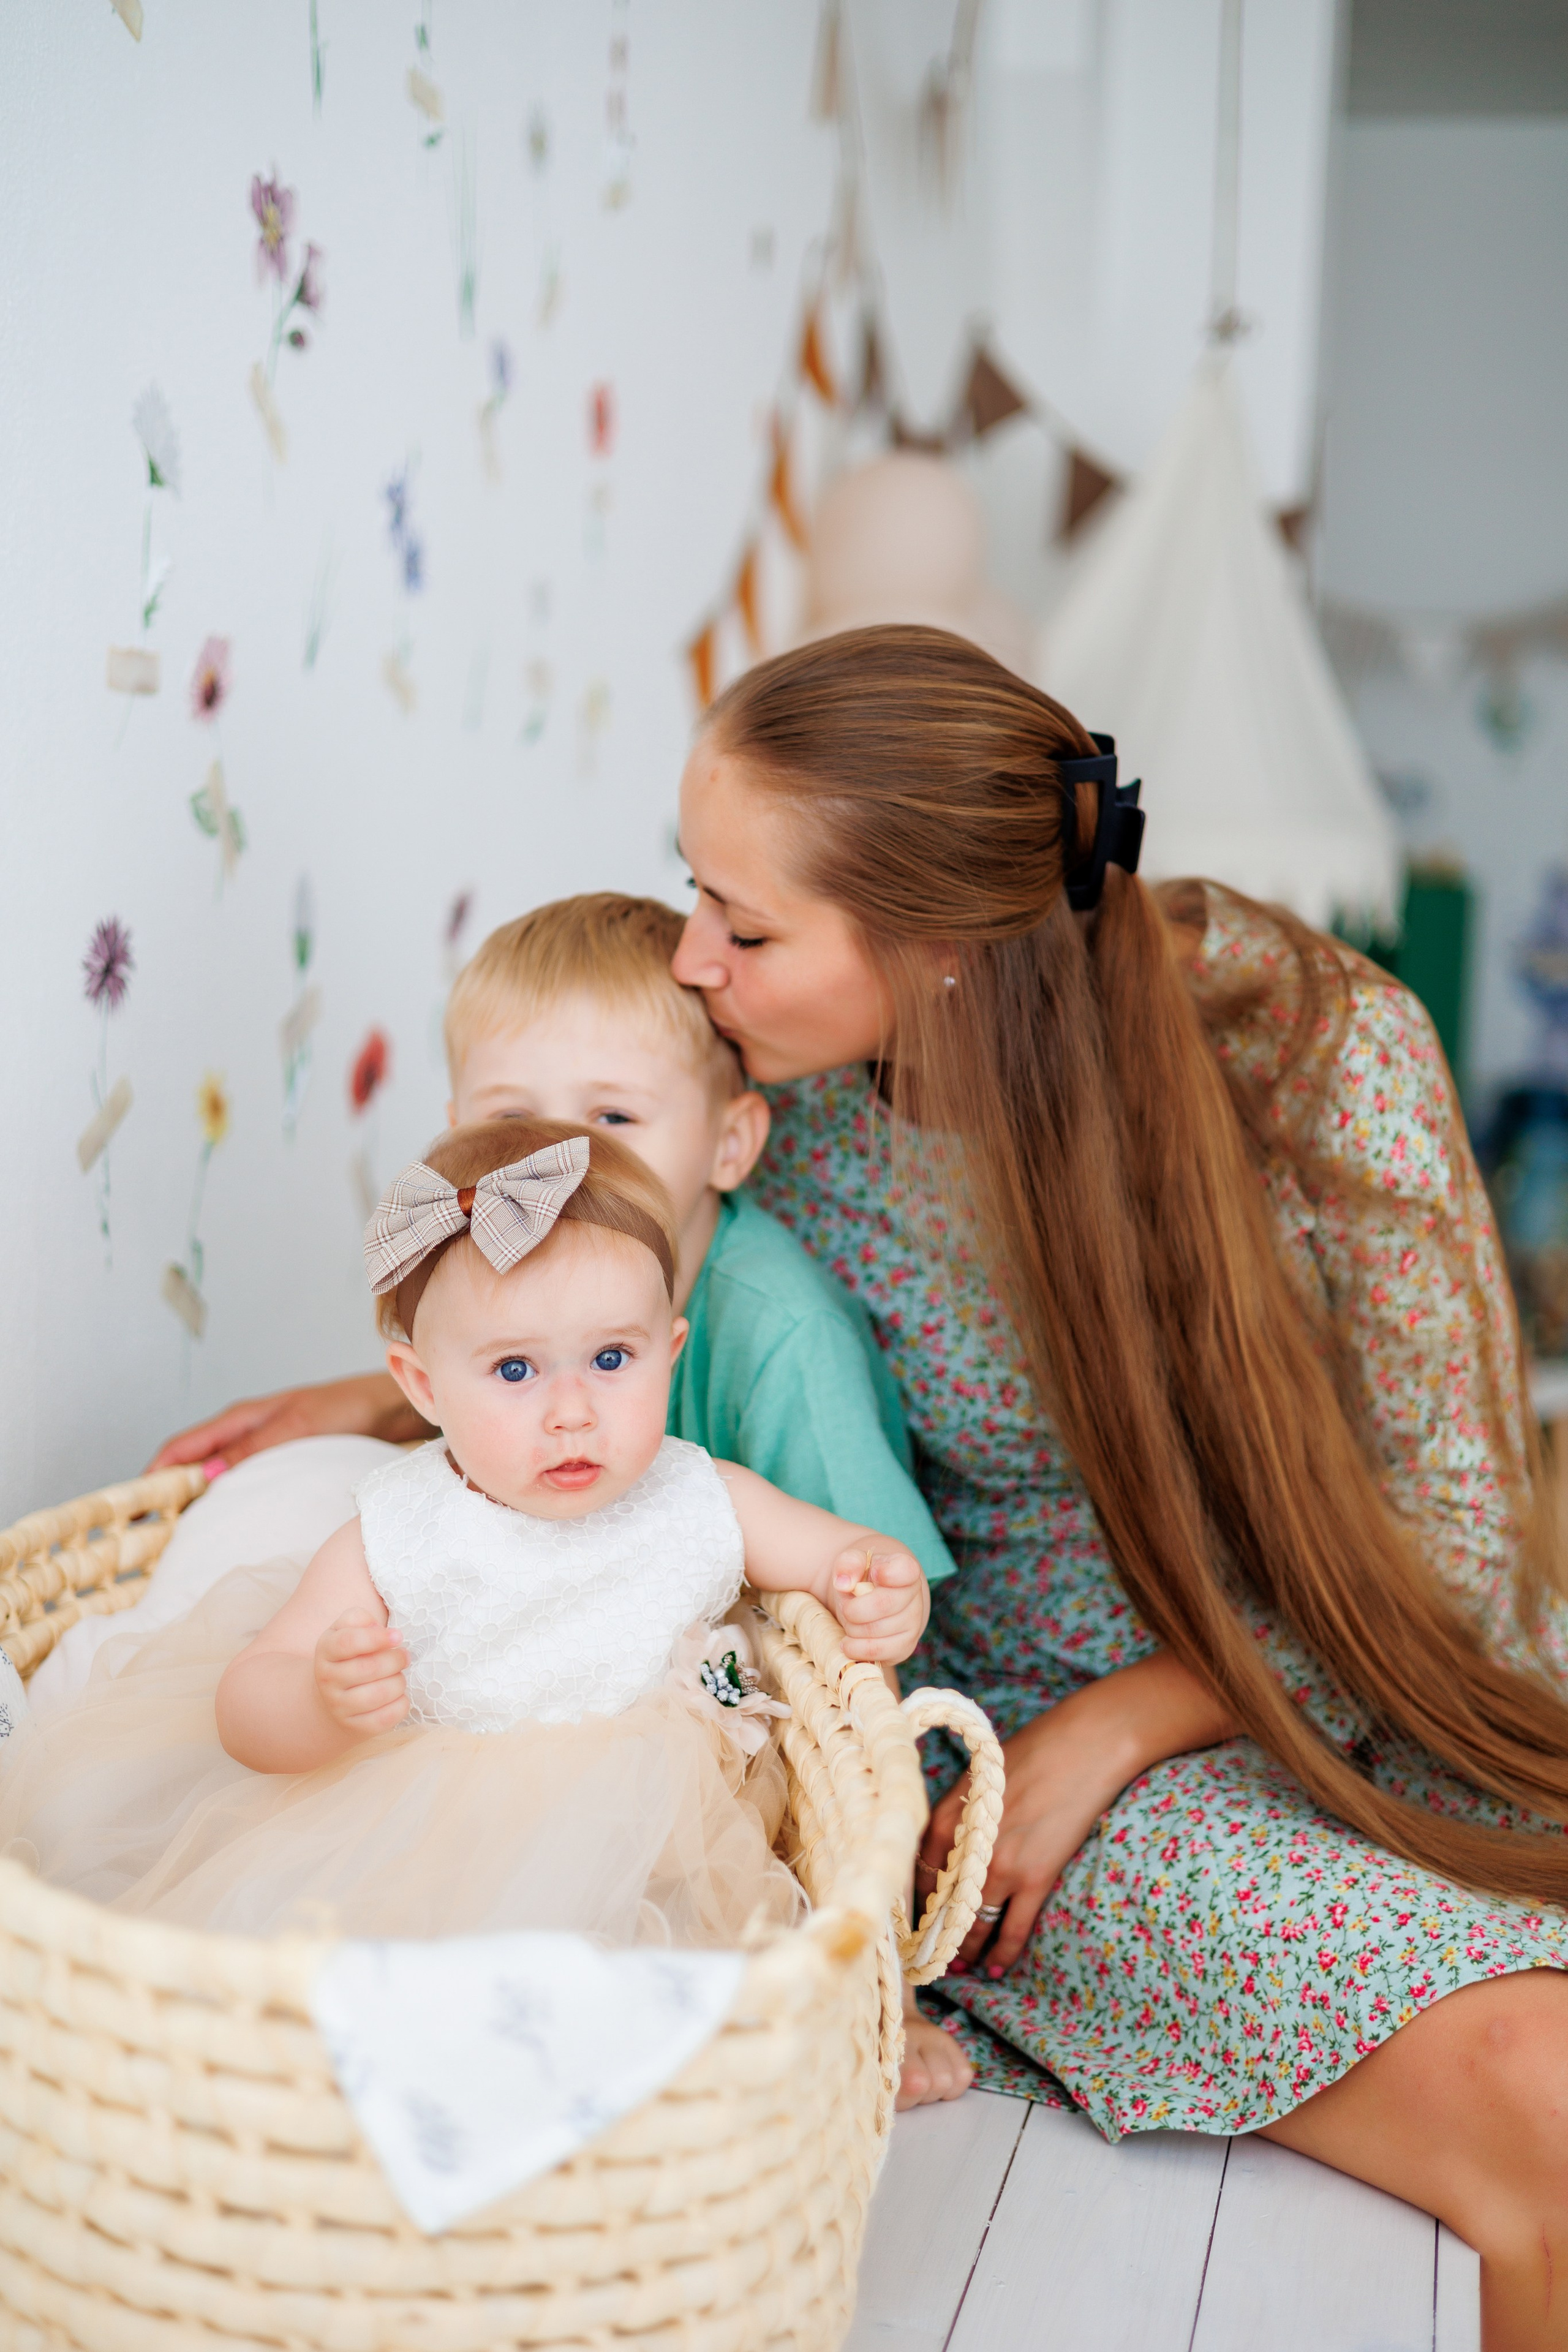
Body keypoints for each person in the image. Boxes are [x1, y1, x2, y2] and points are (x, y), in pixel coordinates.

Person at [666, 624, 1568, 2352]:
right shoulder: (768, 1122)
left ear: (940, 948)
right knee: (1543, 2089)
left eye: (747, 927)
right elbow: (585, 1301)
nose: (690, 958)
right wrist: (385, 1388)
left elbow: (1455, 1545)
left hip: (1386, 1671)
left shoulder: (1312, 1050)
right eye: (688, 892)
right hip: (1039, 1762)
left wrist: (1140, 1713)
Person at [2, 1118, 928, 1947]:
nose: (572, 1411)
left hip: (662, 1847)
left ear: (670, 1353)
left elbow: (843, 1559)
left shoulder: (701, 1493)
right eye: (515, 1370)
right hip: (433, 1849)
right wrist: (320, 1703)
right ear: (422, 1386)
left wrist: (884, 1586)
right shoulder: (402, 1531)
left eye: (612, 1358)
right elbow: (247, 1701)